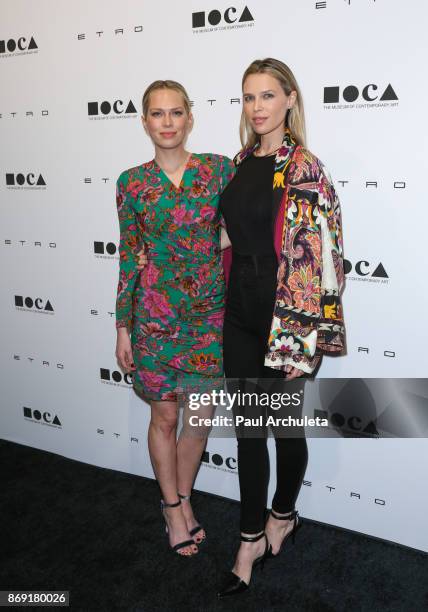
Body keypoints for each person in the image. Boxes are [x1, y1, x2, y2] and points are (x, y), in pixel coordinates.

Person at [216, 58, 346, 597]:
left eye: (267, 96)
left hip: (289, 319)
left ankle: (283, 514)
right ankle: (249, 538)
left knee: (286, 430)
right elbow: (228, 237)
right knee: (249, 431)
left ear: (289, 99)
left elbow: (327, 255)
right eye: (249, 98)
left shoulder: (305, 167)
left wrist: (310, 332)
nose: (257, 107)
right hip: (240, 314)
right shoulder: (240, 162)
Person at [114, 80, 235, 557]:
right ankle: (171, 508)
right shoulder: (131, 183)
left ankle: (185, 497)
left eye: (176, 112)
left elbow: (240, 227)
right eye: (157, 114)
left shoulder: (218, 171)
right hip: (154, 319)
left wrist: (209, 249)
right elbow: (129, 256)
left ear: (190, 118)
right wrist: (122, 326)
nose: (167, 122)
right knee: (164, 416)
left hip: (207, 315)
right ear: (144, 122)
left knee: (200, 417)